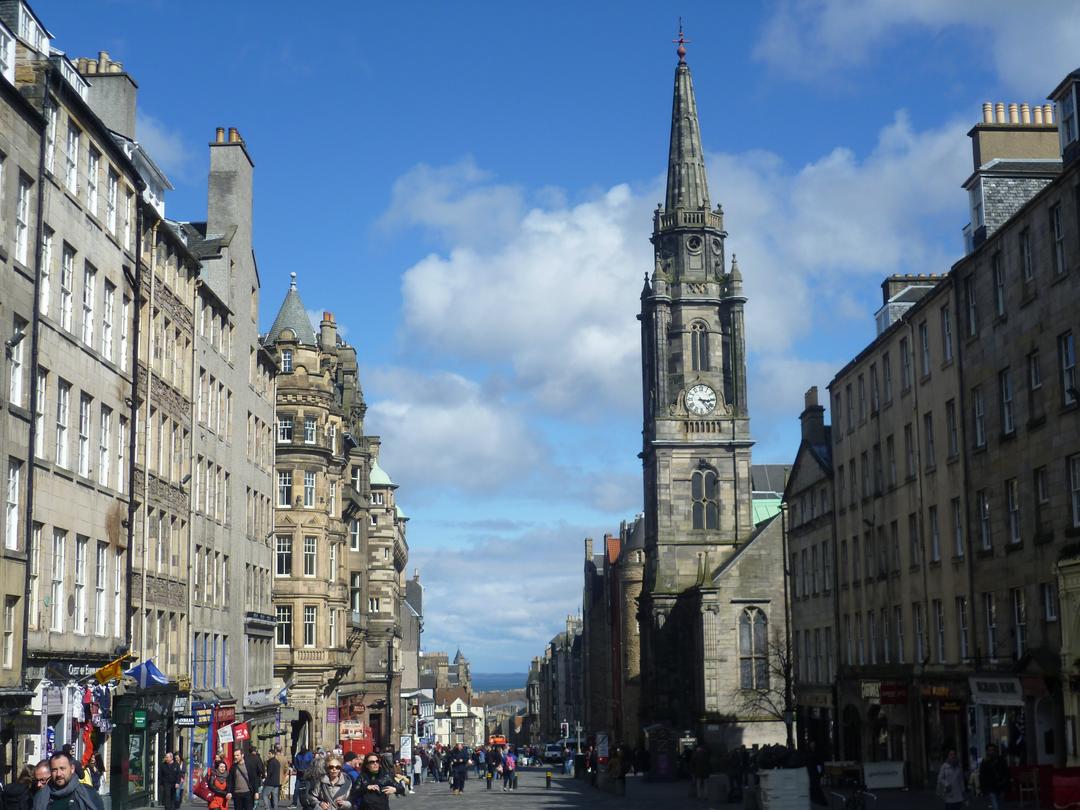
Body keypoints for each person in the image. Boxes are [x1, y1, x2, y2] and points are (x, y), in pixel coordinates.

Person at [31, 752, 103, 810]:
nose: (58, 774)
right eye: (54, 770)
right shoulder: (41, 796)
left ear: (72, 769)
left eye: (62, 768)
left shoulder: (89, 794)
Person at [979, 744, 1011, 810]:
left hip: (1000, 785)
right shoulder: (985, 762)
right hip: (991, 787)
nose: (991, 752)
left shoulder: (1001, 760)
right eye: (989, 750)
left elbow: (1006, 772)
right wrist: (984, 788)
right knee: (995, 805)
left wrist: (1005, 786)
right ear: (987, 751)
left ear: (995, 751)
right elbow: (982, 775)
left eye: (992, 750)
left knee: (1000, 804)